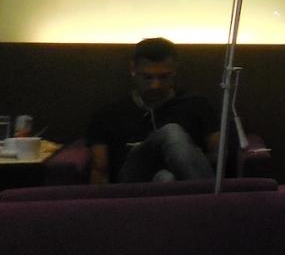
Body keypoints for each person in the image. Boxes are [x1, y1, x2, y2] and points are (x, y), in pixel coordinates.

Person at [87, 37, 220, 184]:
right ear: (133, 70)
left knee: (165, 178)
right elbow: (100, 169)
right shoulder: (110, 113)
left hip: (180, 182)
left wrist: (186, 152)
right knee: (171, 132)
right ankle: (209, 196)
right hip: (133, 181)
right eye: (147, 77)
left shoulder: (197, 105)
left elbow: (219, 156)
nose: (155, 85)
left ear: (175, 71)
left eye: (164, 77)